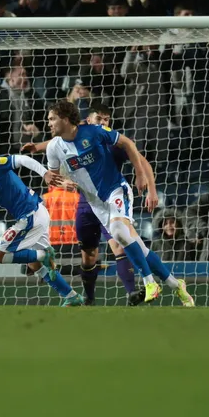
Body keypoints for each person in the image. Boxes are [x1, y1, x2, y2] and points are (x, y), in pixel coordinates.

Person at [44, 100, 194, 306]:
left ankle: (149, 282)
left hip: (116, 190)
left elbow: (128, 144)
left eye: (52, 118)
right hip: (95, 204)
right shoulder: (53, 147)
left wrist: (140, 175)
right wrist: (63, 182)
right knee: (139, 249)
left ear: (65, 118)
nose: (48, 123)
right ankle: (176, 285)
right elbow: (53, 177)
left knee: (118, 232)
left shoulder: (95, 133)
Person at [22, 104, 157, 305]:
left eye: (106, 119)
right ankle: (89, 298)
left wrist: (151, 190)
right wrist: (37, 147)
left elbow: (140, 159)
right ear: (87, 121)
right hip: (87, 204)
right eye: (99, 118)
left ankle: (132, 292)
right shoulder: (75, 137)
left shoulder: (111, 142)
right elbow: (60, 139)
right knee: (89, 256)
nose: (103, 122)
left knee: (120, 244)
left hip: (111, 201)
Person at [0, 134, 85, 307]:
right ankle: (71, 296)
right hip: (34, 214)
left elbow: (21, 159)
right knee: (34, 263)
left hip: (31, 215)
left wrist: (45, 173)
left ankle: (44, 254)